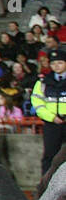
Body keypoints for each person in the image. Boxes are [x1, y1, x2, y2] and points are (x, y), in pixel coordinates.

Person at [30, 47, 66, 175]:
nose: (56, 66)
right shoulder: (43, 82)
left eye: (60, 62)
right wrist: (51, 117)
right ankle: (46, 186)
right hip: (52, 123)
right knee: (49, 156)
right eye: (53, 63)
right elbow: (37, 104)